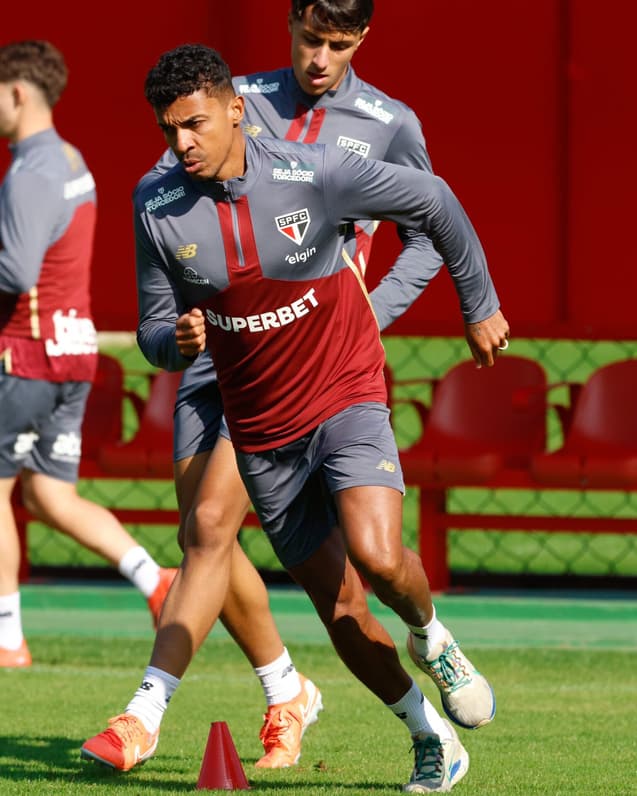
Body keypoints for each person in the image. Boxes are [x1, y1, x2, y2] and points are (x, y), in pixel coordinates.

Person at [84, 0, 507, 772]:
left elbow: (432, 208)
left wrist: (450, 305)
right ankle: (399, 727)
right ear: (288, 25)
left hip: (335, 374)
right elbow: (154, 325)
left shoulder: (348, 147)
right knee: (248, 556)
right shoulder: (168, 187)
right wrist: (175, 342)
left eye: (337, 44)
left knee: (362, 554)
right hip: (237, 389)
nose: (319, 58)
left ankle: (425, 638)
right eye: (310, 38)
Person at [0, 40, 177, 669]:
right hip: (74, 350)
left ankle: (7, 640)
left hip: (27, 355)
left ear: (17, 93)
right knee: (50, 496)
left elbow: (16, 272)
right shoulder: (72, 159)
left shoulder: (30, 172)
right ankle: (155, 579)